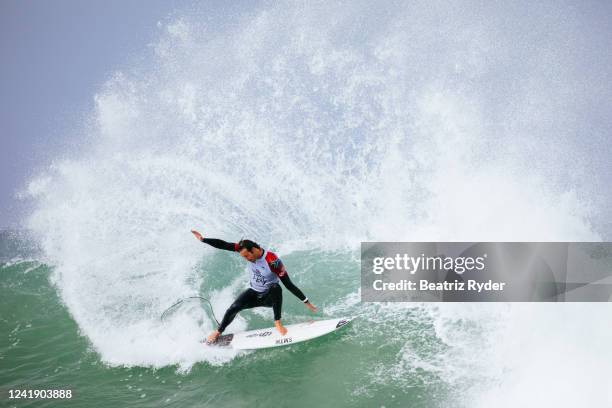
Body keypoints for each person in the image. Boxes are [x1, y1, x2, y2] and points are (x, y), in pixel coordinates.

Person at [191, 230, 317, 344]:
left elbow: (288, 284)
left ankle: (277, 322)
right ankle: (218, 331)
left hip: (269, 297)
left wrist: (306, 301)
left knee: (275, 287)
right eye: (243, 257)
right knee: (233, 308)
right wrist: (203, 240)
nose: (246, 259)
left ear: (254, 250)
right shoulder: (243, 248)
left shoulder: (272, 261)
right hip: (254, 293)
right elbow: (223, 245)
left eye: (247, 256)